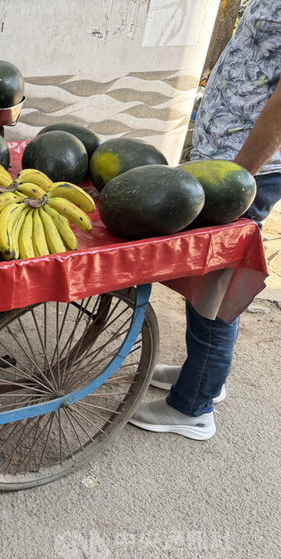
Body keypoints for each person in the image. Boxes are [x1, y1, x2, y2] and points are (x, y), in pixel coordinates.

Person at [129, 0, 281, 441]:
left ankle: (194, 406)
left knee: (219, 283)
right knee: (207, 276)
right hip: (222, 161)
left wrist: (239, 176)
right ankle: (203, 375)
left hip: (244, 172)